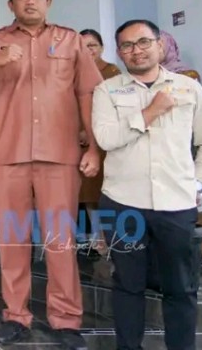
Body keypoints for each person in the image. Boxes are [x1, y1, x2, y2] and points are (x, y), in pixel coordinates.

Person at [0, 0, 103, 350]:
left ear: (48, 1)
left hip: (59, 156)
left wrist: (93, 147)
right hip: (7, 155)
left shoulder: (70, 40)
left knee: (60, 242)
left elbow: (87, 93)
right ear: (10, 4)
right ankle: (16, 316)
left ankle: (66, 320)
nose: (30, 2)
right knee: (13, 240)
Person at [92, 19, 202, 350]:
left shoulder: (188, 88)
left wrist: (197, 183)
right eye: (127, 45)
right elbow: (106, 138)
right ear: (119, 52)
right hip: (123, 203)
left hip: (176, 204)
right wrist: (150, 112)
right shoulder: (107, 90)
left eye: (143, 42)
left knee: (181, 287)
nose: (136, 50)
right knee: (128, 285)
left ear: (159, 45)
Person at [78, 29, 122, 254]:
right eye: (83, 46)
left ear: (102, 48)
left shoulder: (111, 72)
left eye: (93, 45)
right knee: (86, 192)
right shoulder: (73, 71)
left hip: (103, 140)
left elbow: (116, 108)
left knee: (102, 190)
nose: (88, 50)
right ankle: (97, 237)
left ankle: (110, 239)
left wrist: (92, 132)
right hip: (78, 139)